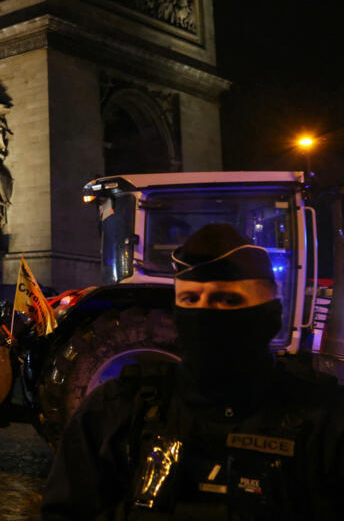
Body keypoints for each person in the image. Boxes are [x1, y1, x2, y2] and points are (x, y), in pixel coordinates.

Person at [41, 223, 344, 520]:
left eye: (227, 299)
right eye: (190, 299)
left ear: (270, 314)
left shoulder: (325, 419)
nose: (204, 314)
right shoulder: (116, 410)